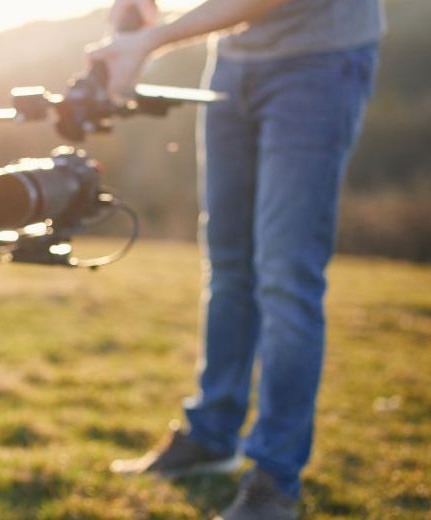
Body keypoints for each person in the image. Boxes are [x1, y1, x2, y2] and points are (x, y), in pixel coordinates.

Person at [87, 1, 384, 519]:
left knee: (285, 275)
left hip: (318, 61)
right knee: (228, 266)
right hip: (233, 61)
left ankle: (274, 478)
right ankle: (212, 434)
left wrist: (152, 42)